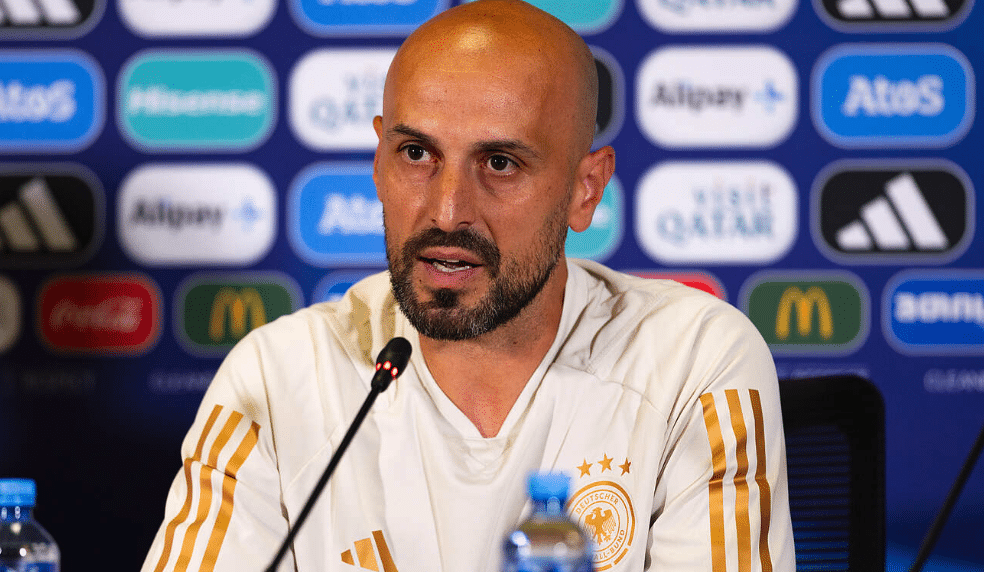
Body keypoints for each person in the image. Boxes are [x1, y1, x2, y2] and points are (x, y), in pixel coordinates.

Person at [141, 1, 795, 571]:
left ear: (584, 189)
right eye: (417, 154)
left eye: (501, 163)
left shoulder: (693, 362)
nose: (449, 211)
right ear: (377, 161)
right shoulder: (277, 379)